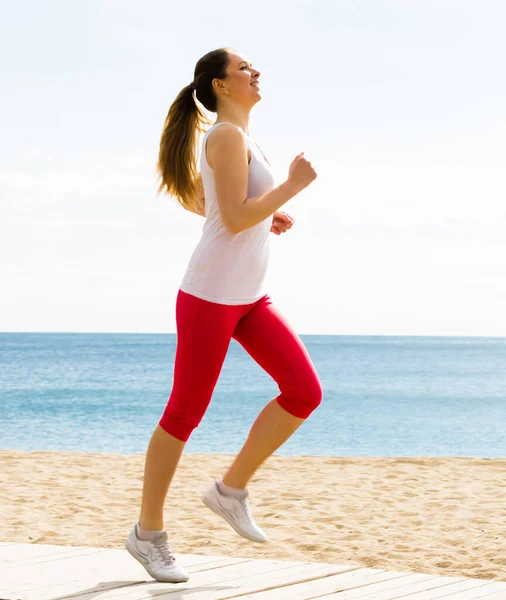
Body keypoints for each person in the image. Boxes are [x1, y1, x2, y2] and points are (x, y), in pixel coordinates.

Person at [125, 47, 322, 583]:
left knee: (303, 391)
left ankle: (229, 490)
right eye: (244, 69)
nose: (255, 73)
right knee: (184, 413)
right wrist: (292, 187)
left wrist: (270, 212)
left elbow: (212, 203)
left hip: (250, 297)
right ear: (219, 85)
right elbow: (233, 220)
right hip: (210, 296)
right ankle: (147, 535)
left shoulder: (243, 139)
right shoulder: (226, 136)